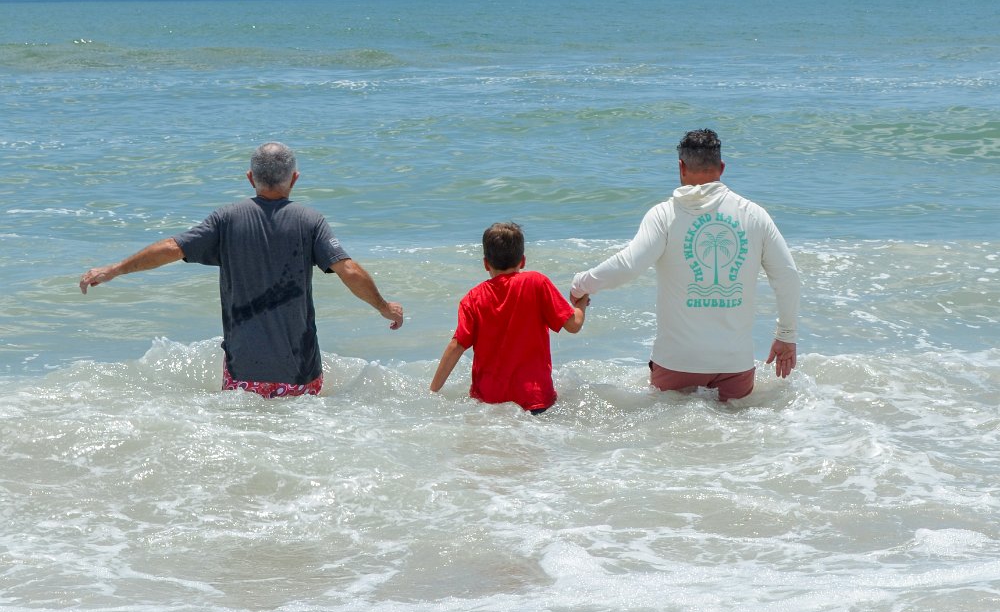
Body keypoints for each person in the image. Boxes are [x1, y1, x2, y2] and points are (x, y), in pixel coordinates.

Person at [79, 141, 404, 398]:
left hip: (243, 375)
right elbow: (348, 270)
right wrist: (383, 306)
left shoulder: (226, 219)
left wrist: (114, 269)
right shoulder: (310, 221)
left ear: (251, 178)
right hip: (300, 374)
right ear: (294, 178)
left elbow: (171, 248)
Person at [570, 129, 800, 401]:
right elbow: (787, 276)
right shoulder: (754, 215)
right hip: (735, 364)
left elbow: (629, 265)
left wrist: (581, 284)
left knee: (670, 426)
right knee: (735, 426)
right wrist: (786, 335)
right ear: (722, 168)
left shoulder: (664, 214)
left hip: (676, 362)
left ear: (681, 166)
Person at [430, 222, 589, 414]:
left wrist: (432, 391)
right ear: (523, 261)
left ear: (485, 264)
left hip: (489, 404)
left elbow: (456, 346)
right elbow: (574, 324)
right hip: (535, 399)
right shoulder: (537, 283)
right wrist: (581, 302)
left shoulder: (472, 299)